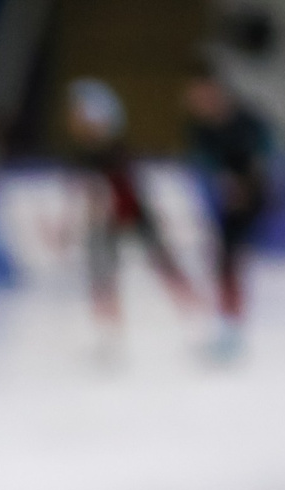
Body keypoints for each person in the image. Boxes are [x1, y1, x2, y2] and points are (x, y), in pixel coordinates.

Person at [66, 78, 198, 343]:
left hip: (126, 215)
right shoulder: (90, 153)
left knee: (158, 265)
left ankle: (196, 315)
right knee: (105, 274)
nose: (74, 120)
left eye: (80, 114)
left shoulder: (110, 151)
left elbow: (112, 191)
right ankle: (108, 331)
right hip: (114, 219)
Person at [183, 70, 270, 360]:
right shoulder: (201, 130)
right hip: (227, 203)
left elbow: (264, 155)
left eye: (203, 94)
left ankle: (233, 332)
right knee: (223, 263)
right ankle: (228, 328)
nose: (197, 102)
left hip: (251, 199)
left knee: (229, 262)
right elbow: (206, 164)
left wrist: (245, 186)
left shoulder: (245, 122)